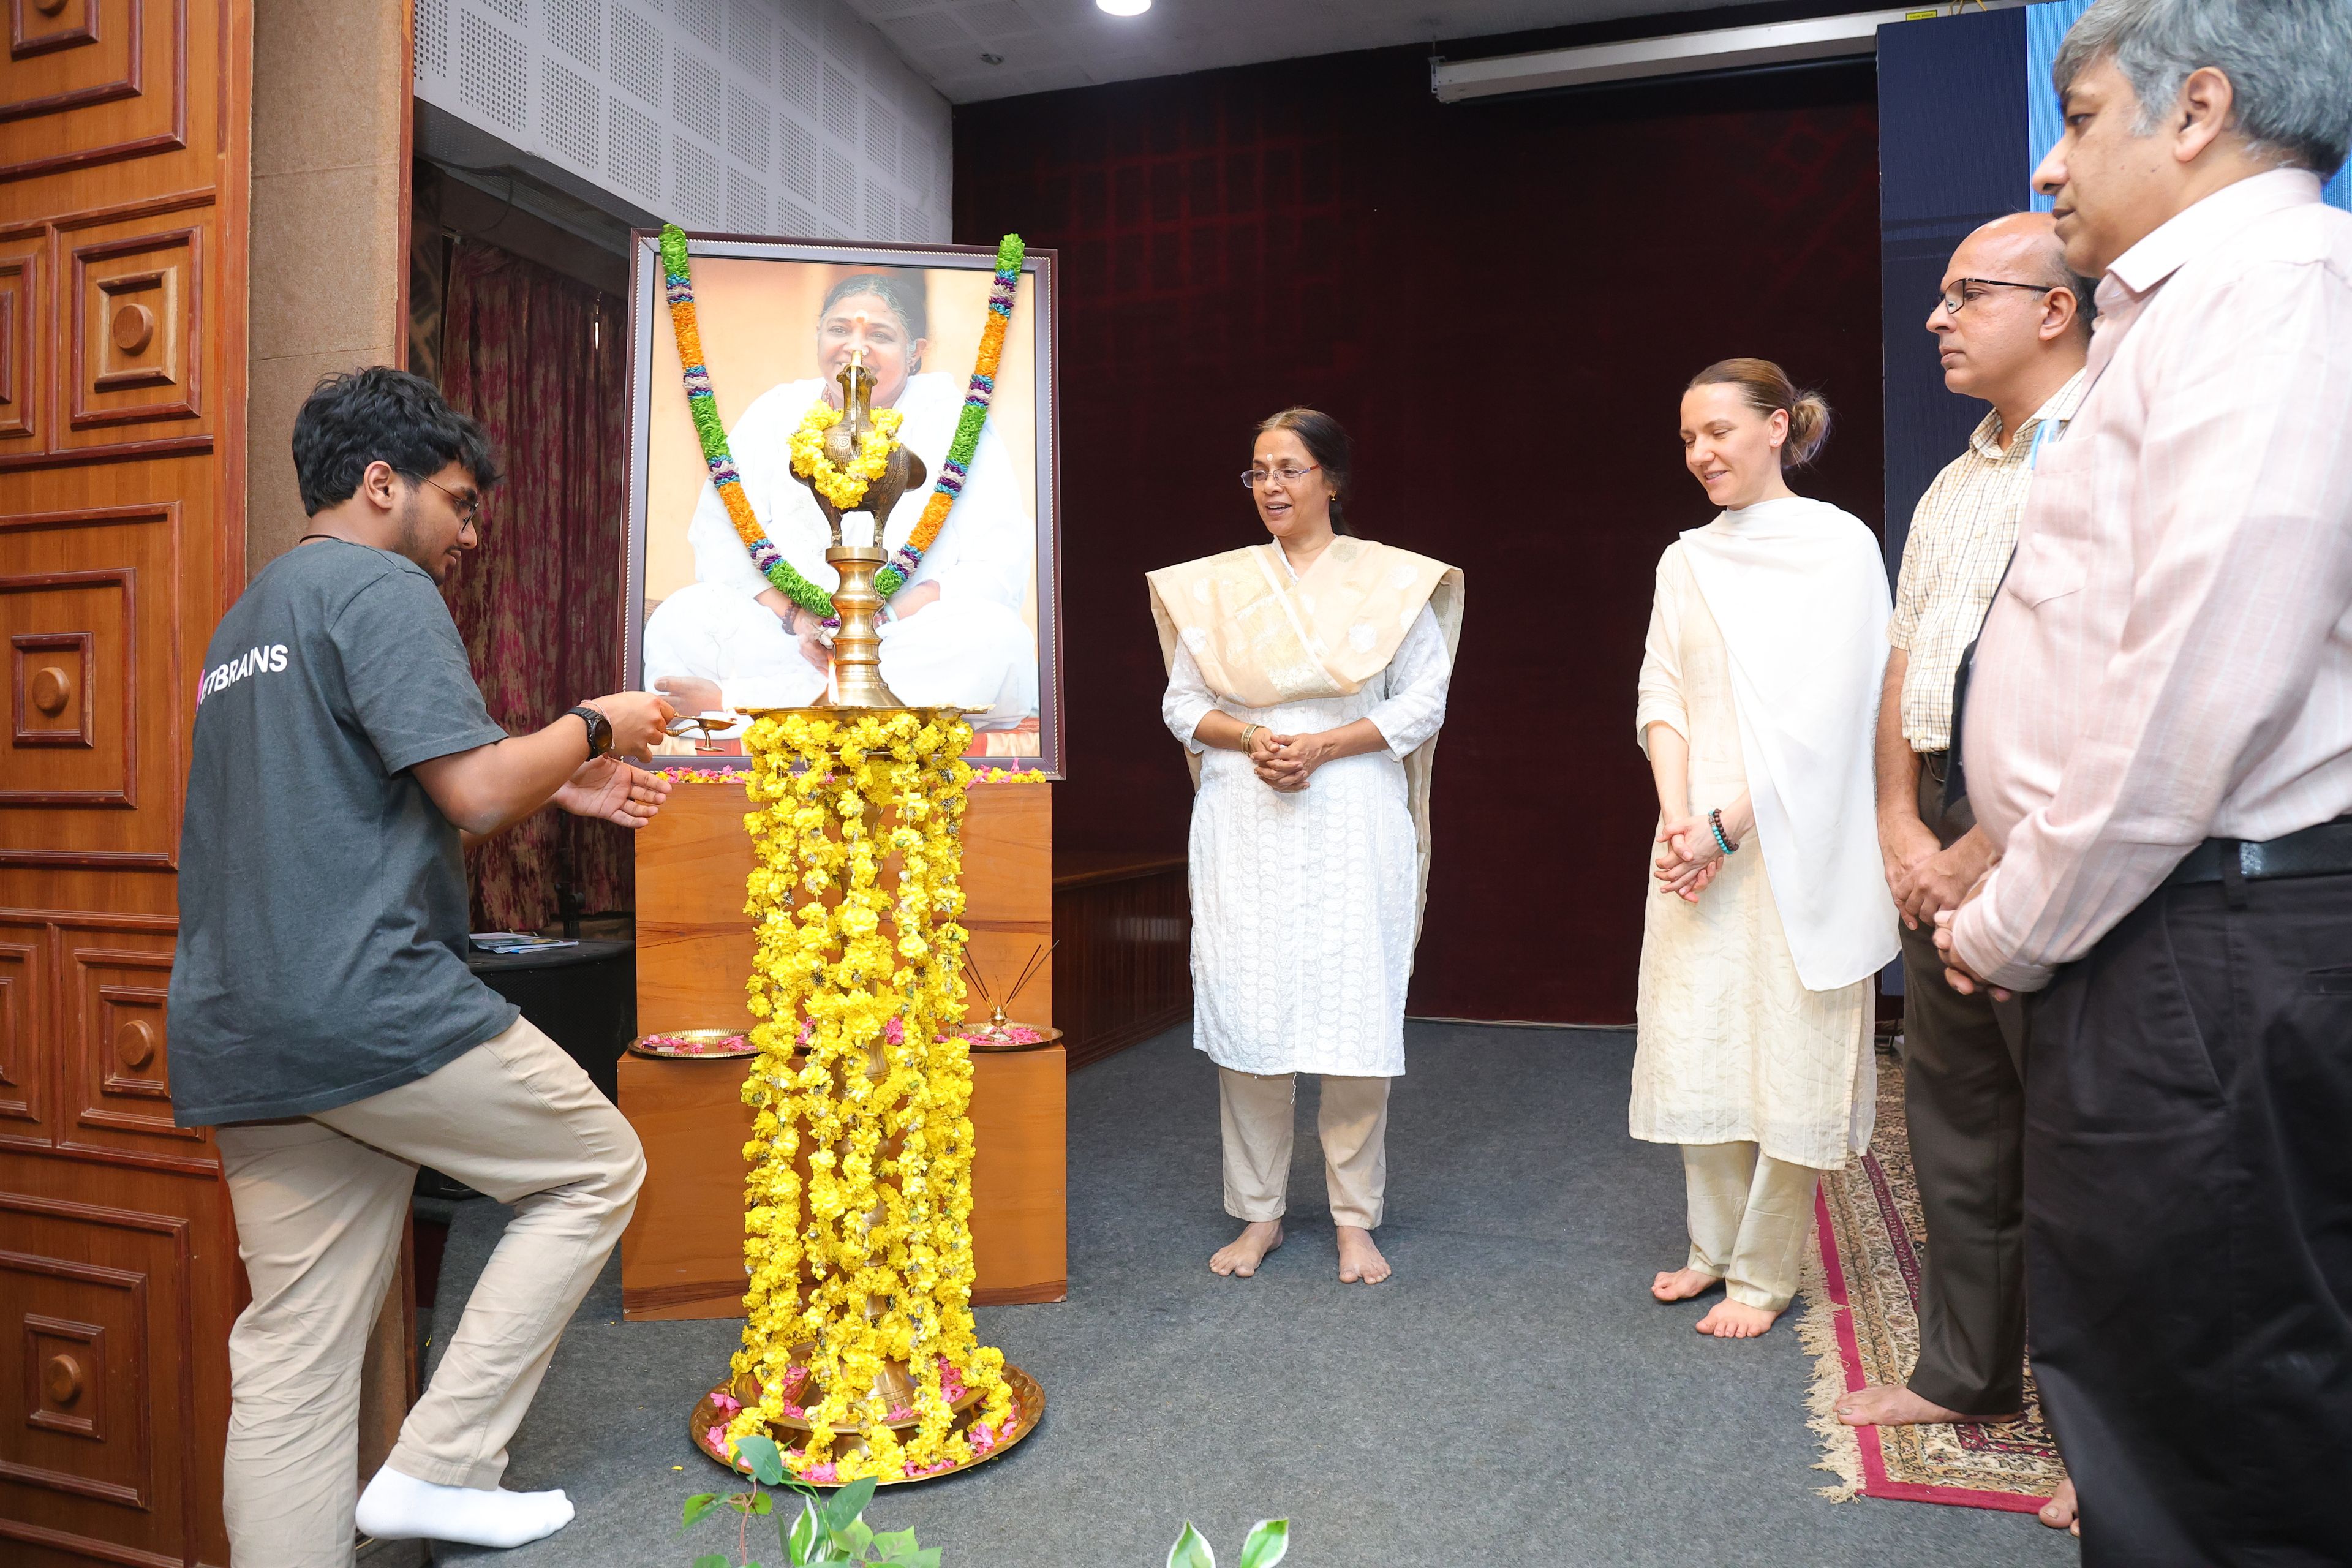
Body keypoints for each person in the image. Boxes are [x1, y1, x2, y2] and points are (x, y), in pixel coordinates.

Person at [1932, 1, 2352, 1560]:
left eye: (2081, 114)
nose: (2051, 164)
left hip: (2198, 933)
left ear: (2197, 111)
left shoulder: (2274, 288)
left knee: (2213, 1405)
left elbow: (2194, 682)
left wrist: (2012, 917)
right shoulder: (2181, 305)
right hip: (2168, 922)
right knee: (2155, 1380)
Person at [167, 368, 677, 1561]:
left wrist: (565, 775)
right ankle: (441, 1463)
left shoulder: (249, 620)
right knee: (597, 1166)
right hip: (368, 1006)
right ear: (379, 483)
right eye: (454, 499)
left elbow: (348, 810)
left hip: (243, 1023)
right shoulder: (380, 585)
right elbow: (479, 791)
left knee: (292, 1355)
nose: (470, 528)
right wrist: (600, 724)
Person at [1835, 213, 2091, 1532]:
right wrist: (1900, 822)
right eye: (1938, 295)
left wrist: (1988, 840)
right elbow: (1908, 659)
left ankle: (2112, 1442)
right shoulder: (1956, 477)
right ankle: (1965, 1371)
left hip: (2062, 824)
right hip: (1940, 810)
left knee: (2089, 1147)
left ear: (2056, 310)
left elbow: (2106, 678)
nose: (1938, 316)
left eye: (1967, 294)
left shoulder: (2111, 446)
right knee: (1958, 1121)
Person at [1146, 409, 1462, 1286]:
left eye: (1290, 468)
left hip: (1352, 809)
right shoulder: (1220, 589)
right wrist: (1251, 741)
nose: (1272, 487)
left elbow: (1421, 703)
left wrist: (1324, 745)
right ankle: (1260, 1214)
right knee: (1251, 1015)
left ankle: (1357, 1219)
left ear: (1331, 480)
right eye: (1257, 472)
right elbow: (1182, 706)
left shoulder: (1390, 584)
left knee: (1355, 1017)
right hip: (1245, 812)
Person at [1634, 360, 1898, 1339]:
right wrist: (1678, 819)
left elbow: (1838, 718)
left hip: (1797, 833)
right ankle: (1710, 1248)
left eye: (1719, 432)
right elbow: (1662, 690)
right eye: (1688, 439)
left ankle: (1765, 1269)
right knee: (1698, 1037)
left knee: (1791, 1043)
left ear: (1778, 427)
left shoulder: (1838, 546)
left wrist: (1725, 825)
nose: (1701, 454)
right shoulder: (1685, 558)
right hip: (1692, 834)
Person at [643, 270, 1037, 729]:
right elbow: (722, 537)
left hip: (900, 642)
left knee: (994, 636)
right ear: (818, 337)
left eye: (880, 334)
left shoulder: (954, 421)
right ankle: (830, 709)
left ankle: (749, 706)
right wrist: (799, 618)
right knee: (682, 616)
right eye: (839, 329)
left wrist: (876, 623)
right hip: (787, 641)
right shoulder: (776, 413)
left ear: (916, 354)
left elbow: (994, 564)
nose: (855, 348)